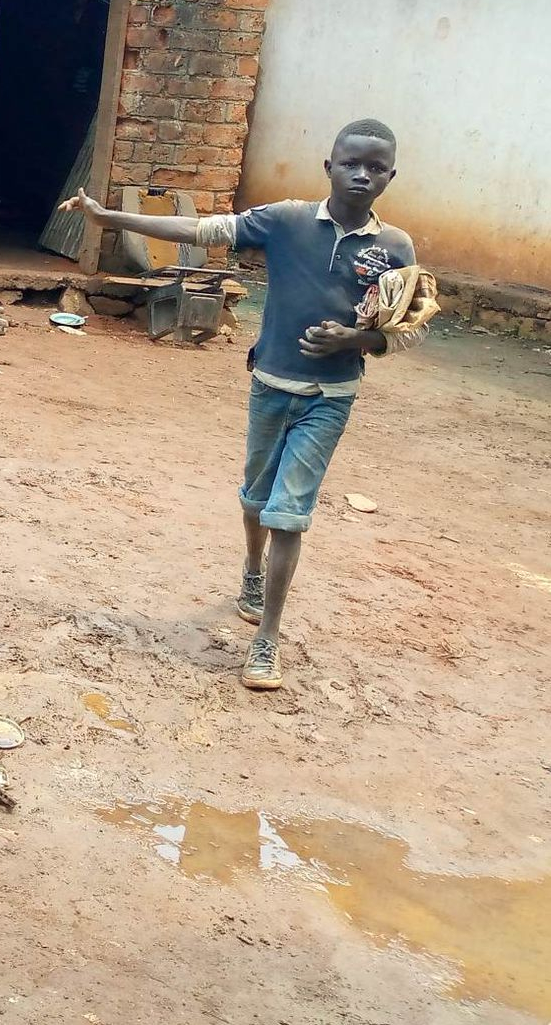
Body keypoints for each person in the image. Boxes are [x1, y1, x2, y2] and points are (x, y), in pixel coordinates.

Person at [60, 119, 424, 692]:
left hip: (331, 398)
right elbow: (200, 229)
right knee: (256, 496)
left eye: (375, 168)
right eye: (351, 163)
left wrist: (356, 340)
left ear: (391, 176)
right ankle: (251, 574)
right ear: (328, 166)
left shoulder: (395, 248)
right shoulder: (287, 220)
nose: (362, 175)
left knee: (289, 513)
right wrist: (110, 218)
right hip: (272, 384)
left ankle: (266, 640)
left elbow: (403, 330)